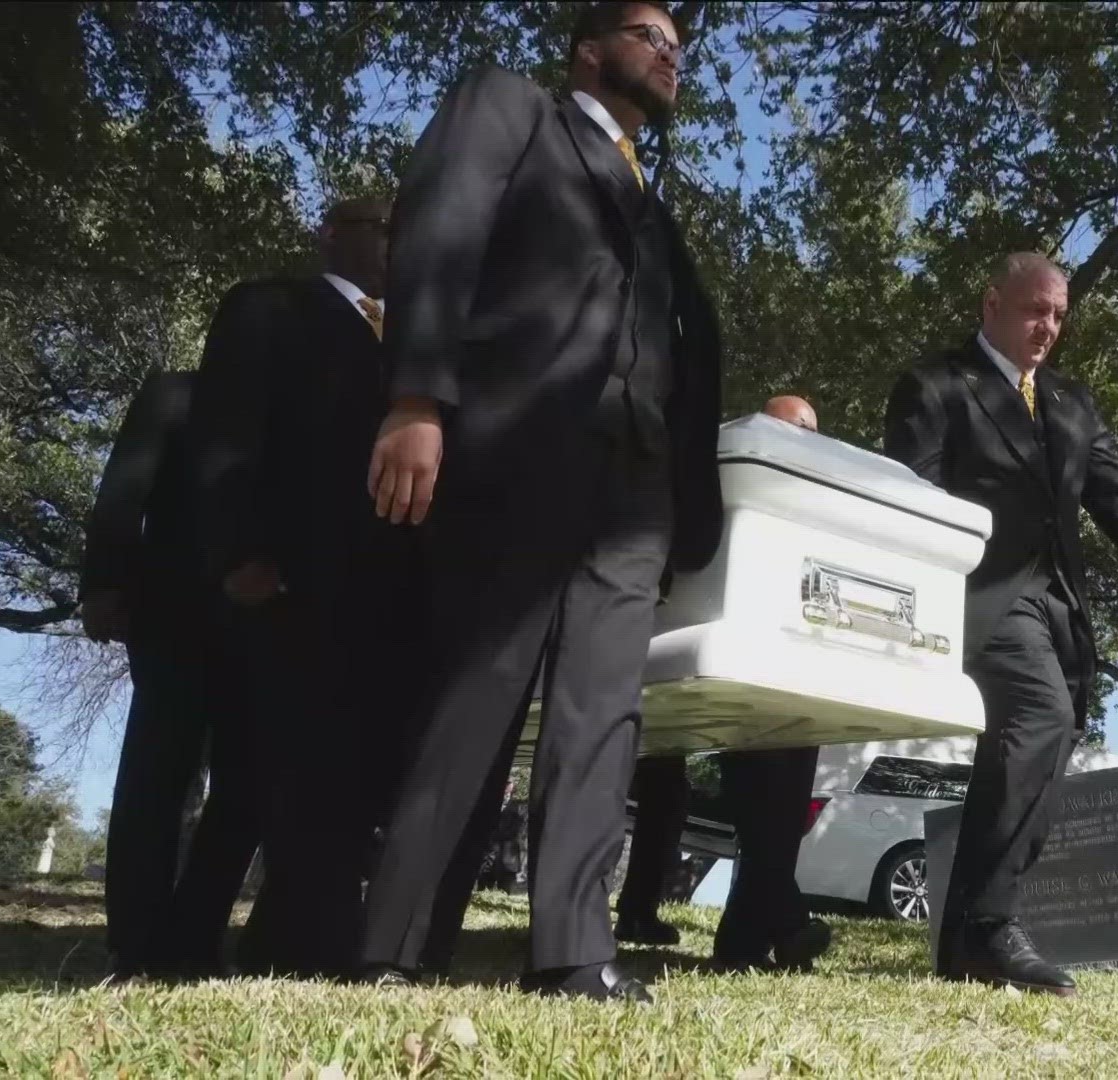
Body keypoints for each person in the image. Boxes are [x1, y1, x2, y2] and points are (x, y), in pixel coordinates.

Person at [357, 0, 723, 1003]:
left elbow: (692, 352)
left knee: (604, 712)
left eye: (680, 51)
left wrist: (693, 503)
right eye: (654, 39)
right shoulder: (511, 109)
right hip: (519, 445)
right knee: (480, 688)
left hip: (634, 484)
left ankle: (571, 953)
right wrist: (417, 395)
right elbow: (444, 226)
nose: (671, 58)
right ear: (591, 49)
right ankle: (396, 944)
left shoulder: (658, 207)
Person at [883, 253, 1118, 996]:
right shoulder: (935, 386)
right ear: (993, 302)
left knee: (1043, 743)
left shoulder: (1070, 403)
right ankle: (995, 928)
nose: (1049, 328)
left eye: (1059, 317)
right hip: (978, 598)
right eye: (1036, 311)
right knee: (1039, 714)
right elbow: (910, 497)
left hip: (1061, 607)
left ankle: (967, 934)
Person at [187, 194, 414, 978]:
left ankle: (292, 946)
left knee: (349, 776)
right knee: (256, 774)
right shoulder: (268, 309)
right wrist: (237, 552)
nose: (392, 243)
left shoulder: (415, 348)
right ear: (330, 233)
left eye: (401, 232)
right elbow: (225, 434)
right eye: (378, 226)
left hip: (379, 595)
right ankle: (177, 948)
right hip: (283, 578)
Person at [616, 395, 832, 973]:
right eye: (790, 428)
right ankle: (778, 925)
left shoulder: (821, 500)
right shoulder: (732, 486)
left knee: (781, 819)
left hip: (806, 667)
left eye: (810, 431)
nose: (800, 440)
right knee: (760, 811)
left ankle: (755, 939)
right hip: (750, 666)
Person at [82, 372, 260, 981]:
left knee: (247, 783)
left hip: (263, 623)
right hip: (171, 613)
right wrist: (103, 585)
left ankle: (196, 936)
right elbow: (123, 492)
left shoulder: (292, 405)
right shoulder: (174, 395)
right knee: (158, 774)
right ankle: (135, 941)